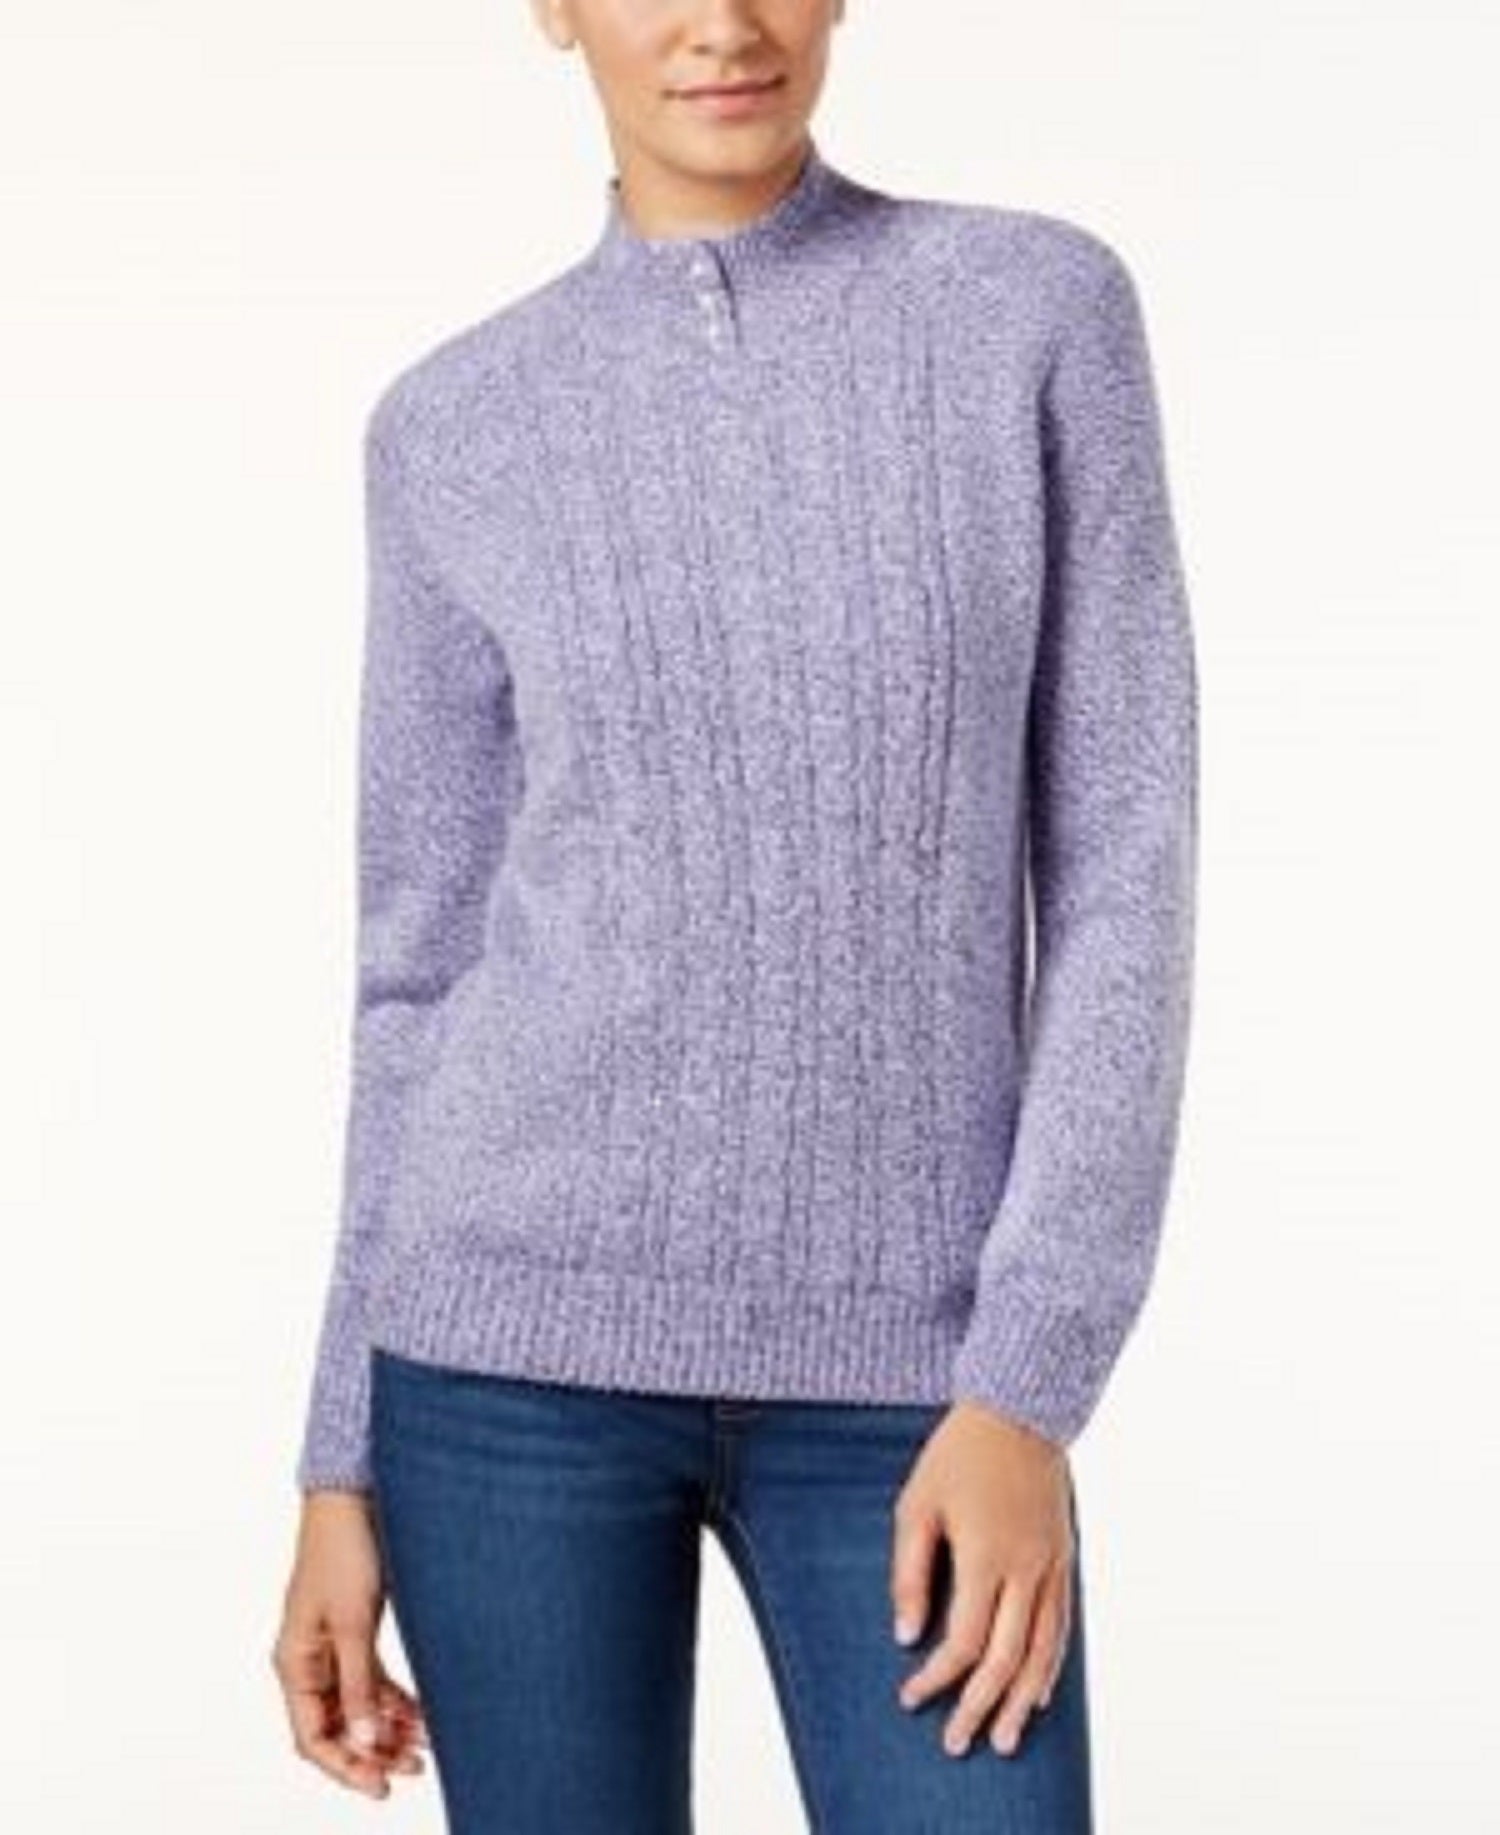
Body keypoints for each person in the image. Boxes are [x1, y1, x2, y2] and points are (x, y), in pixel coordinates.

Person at [270, 2, 1198, 1828]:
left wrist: (1027, 1387)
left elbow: (1125, 867)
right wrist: (339, 1463)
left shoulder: (1030, 314)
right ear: (554, 9)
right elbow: (420, 970)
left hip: (922, 1379)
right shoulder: (453, 427)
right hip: (502, 1374)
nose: (721, 24)